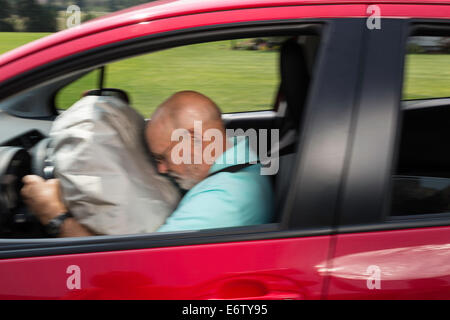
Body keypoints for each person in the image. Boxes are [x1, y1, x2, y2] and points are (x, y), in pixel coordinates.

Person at [21, 91, 274, 236]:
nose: (161, 169)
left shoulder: (224, 201)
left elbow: (138, 271)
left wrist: (54, 215)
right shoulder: (240, 168)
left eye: (163, 157)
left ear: (196, 141)